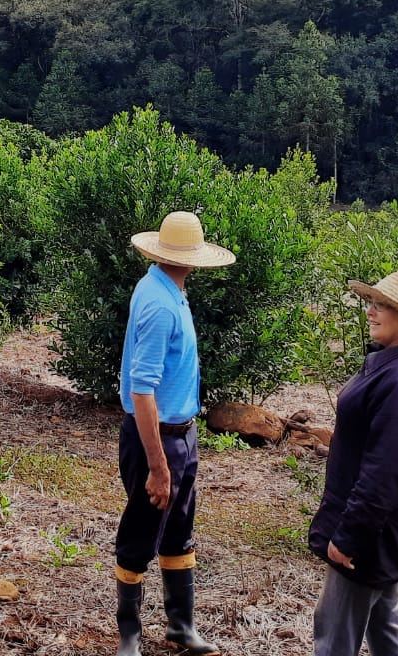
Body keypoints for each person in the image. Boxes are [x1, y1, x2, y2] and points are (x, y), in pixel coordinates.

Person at [113, 210, 235, 656]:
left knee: (179, 530)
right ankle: (130, 635)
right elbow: (141, 391)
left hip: (181, 433)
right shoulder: (162, 304)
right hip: (158, 438)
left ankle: (180, 627)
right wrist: (158, 465)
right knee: (141, 531)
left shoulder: (165, 288)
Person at [308, 271, 398, 656]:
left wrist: (349, 536)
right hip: (387, 527)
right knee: (386, 623)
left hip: (373, 531)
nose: (370, 312)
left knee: (334, 636)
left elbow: (386, 473)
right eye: (371, 303)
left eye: (382, 306)